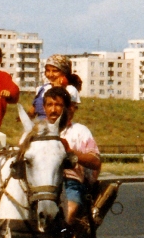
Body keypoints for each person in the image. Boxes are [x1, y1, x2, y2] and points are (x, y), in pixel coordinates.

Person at [41, 86, 101, 226]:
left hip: (69, 183)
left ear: (67, 108)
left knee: (69, 211)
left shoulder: (79, 131)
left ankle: (62, 236)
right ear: (44, 108)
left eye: (58, 105)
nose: (53, 109)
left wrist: (70, 152)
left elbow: (96, 162)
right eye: (49, 105)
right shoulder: (36, 131)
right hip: (41, 183)